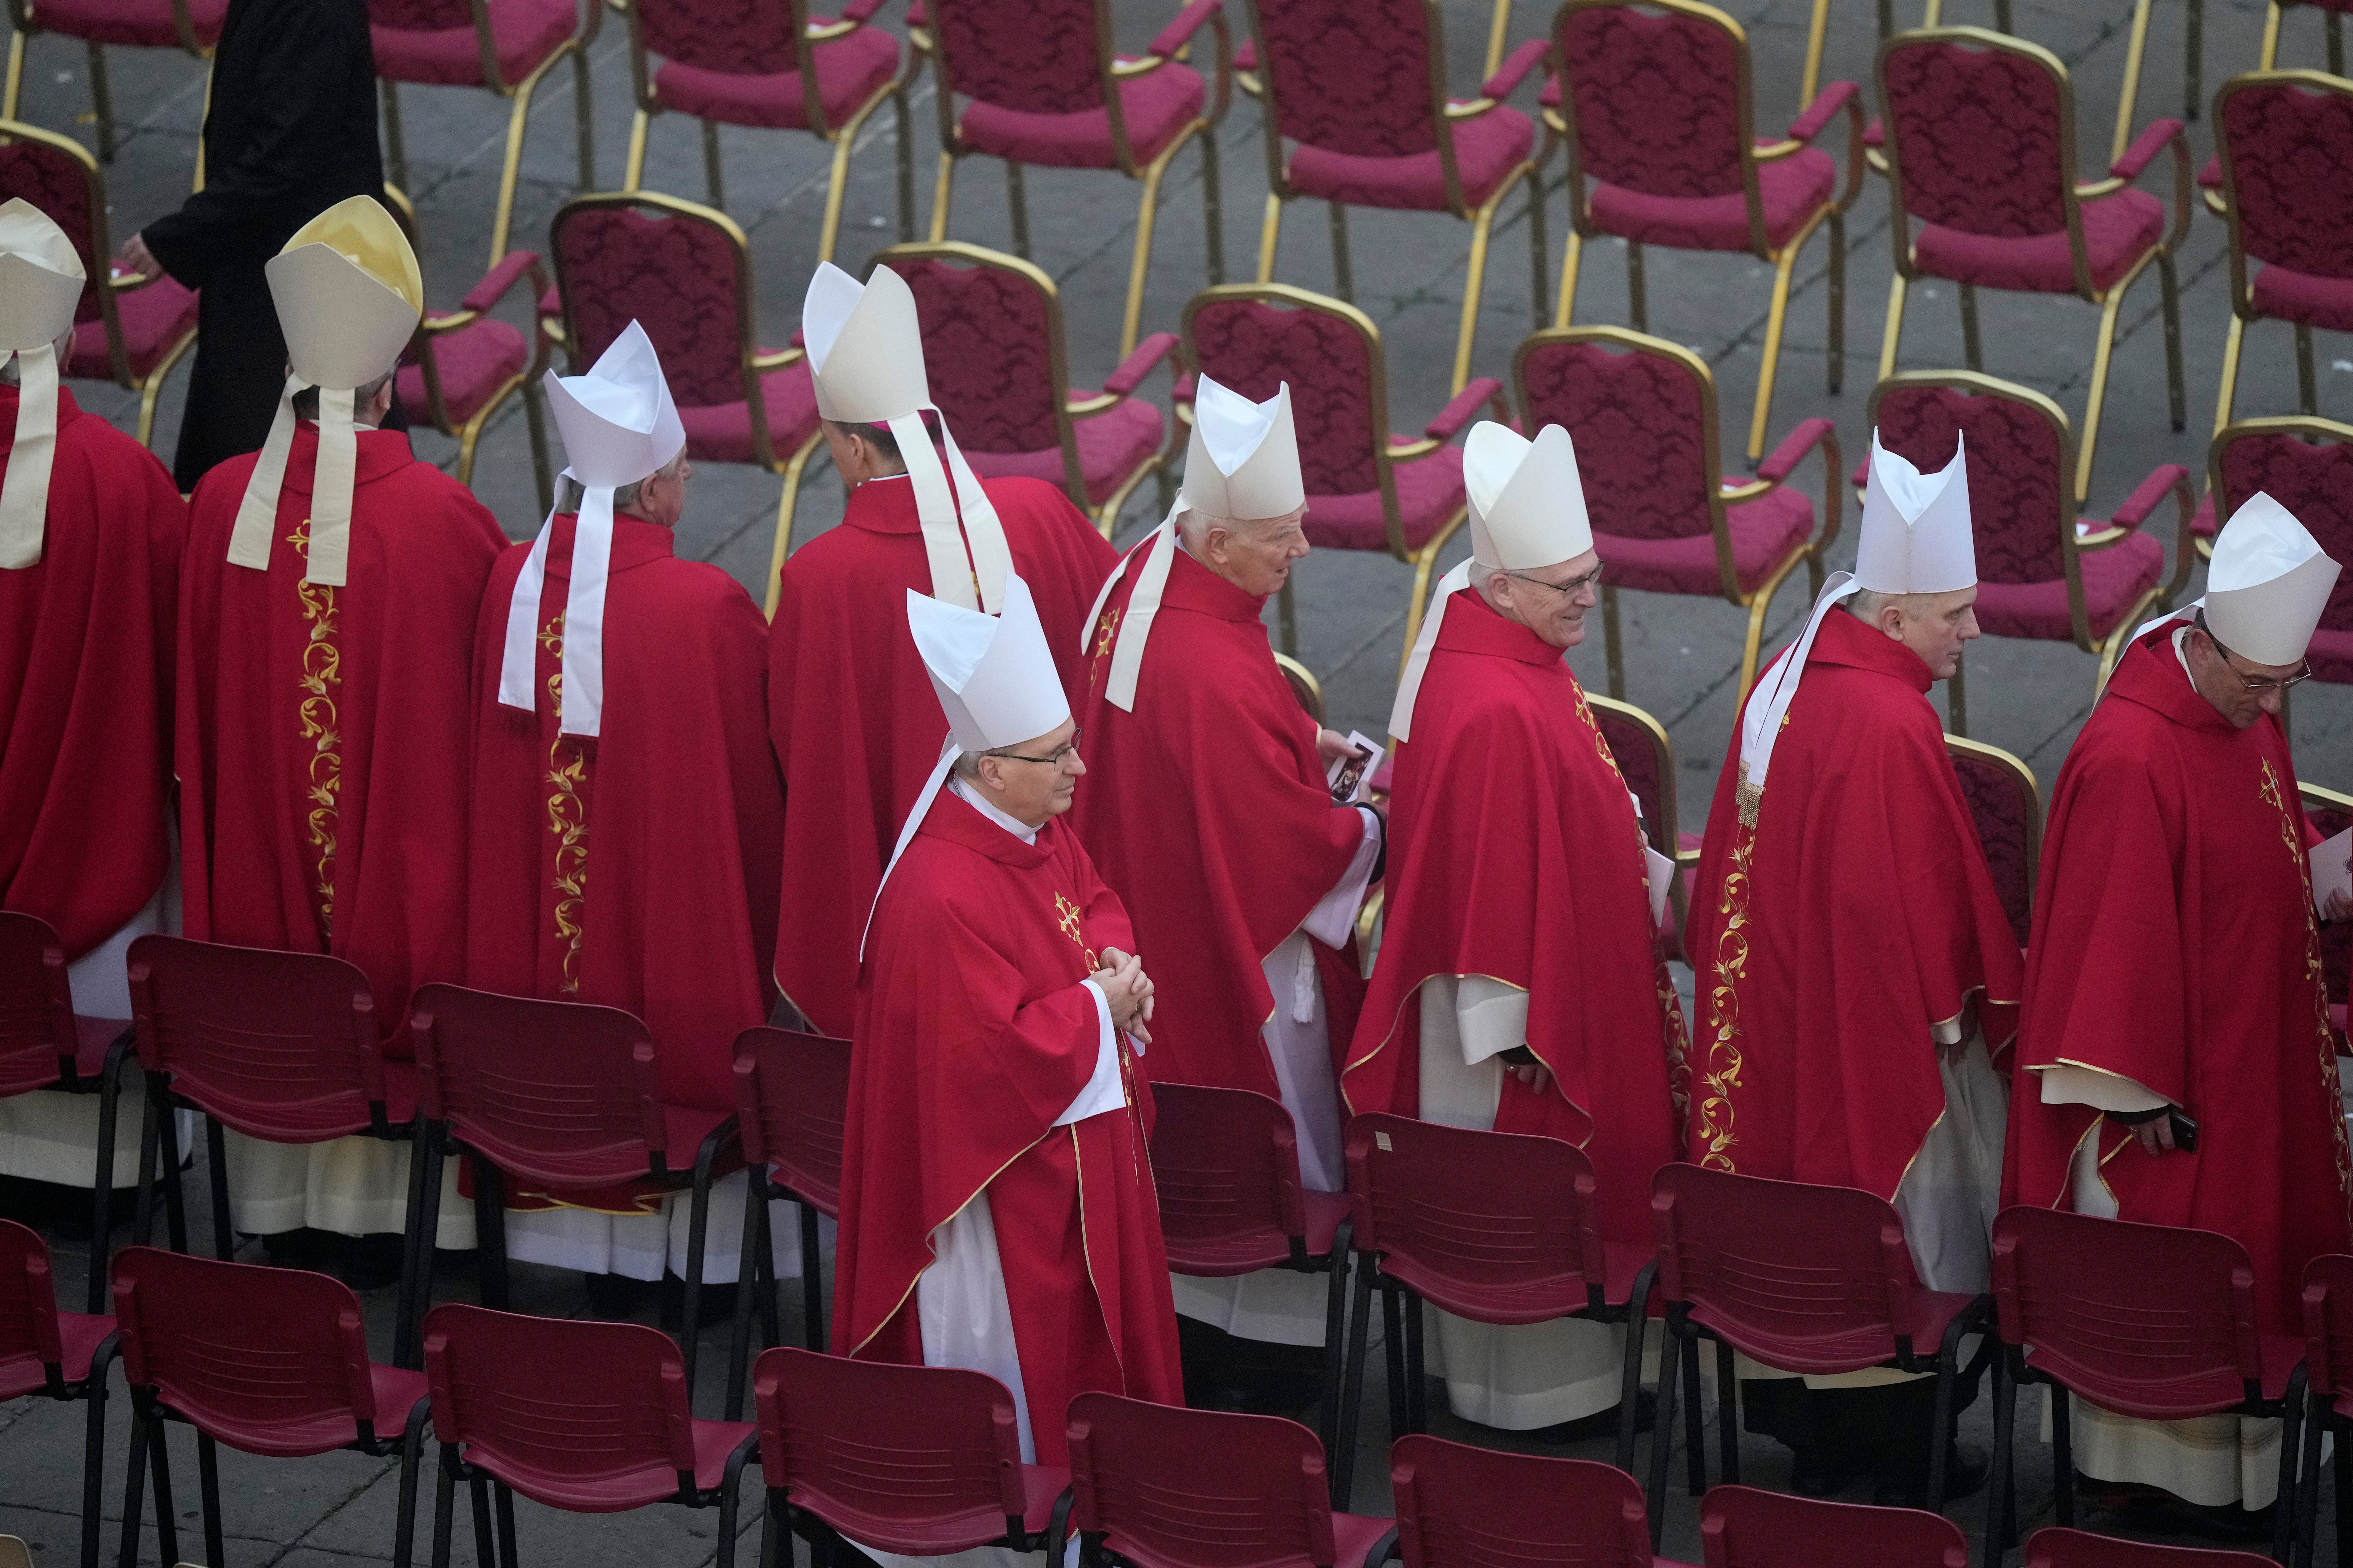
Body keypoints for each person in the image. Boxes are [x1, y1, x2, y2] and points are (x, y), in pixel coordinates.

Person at [1682, 432, 2022, 1505]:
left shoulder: (1796, 674)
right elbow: (1917, 910)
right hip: (1870, 1032)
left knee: (1796, 1195)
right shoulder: (1887, 721)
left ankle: (1811, 1434)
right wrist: (1961, 1003)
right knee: (1898, 1218)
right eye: (1953, 612)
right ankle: (1885, 1452)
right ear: (1892, 617)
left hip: (1781, 1008)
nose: (1973, 628)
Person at [2005, 493, 2350, 1536]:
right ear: (2203, 646)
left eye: (2290, 685)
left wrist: (2325, 872)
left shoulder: (2237, 708)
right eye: (2261, 683)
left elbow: (2257, 848)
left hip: (2261, 1048)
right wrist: (2137, 1086)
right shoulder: (2131, 754)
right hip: (2175, 1090)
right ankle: (2153, 1486)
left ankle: (2249, 1476)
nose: (2274, 709)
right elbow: (2109, 936)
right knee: (2188, 1275)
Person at [1342, 421, 1687, 1440]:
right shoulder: (1493, 704)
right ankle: (1545, 1402)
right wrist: (1519, 1029)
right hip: (1522, 1018)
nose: (1587, 598)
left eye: (1590, 576)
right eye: (1564, 584)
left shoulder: (1484, 635)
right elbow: (1486, 889)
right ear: (1501, 586)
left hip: (1570, 964)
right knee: (1530, 1204)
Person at [176, 195, 497, 1284]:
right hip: (405, 877)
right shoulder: (448, 524)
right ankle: (391, 1224)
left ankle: (284, 1204)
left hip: (260, 878)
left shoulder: (222, 504)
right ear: (392, 376)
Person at [1067, 375, 1381, 1381]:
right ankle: (1273, 1361)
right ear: (1217, 543)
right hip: (1227, 942)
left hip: (1139, 900)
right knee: (1264, 1140)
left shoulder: (1140, 576)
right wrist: (1369, 825)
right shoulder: (1210, 659)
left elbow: (1214, 742)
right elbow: (1277, 847)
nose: (1302, 551)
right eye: (1281, 535)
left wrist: (1296, 738)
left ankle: (1191, 1324)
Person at [835, 569, 1182, 1475]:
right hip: (992, 1195)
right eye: (1057, 754)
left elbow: (1091, 899)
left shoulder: (1032, 824)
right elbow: (983, 1066)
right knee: (1017, 1392)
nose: (1078, 768)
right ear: (990, 769)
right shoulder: (942, 893)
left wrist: (1120, 970)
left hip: (1075, 1147)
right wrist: (1097, 1009)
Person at [469, 322, 785, 1307]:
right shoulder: (705, 608)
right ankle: (682, 1268)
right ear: (652, 491)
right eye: (684, 477)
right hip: (666, 949)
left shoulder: (510, 584)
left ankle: (561, 1237)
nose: (687, 495)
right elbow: (756, 796)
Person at [770, 261, 1116, 1040]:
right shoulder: (1038, 511)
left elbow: (804, 751)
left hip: (915, 909)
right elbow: (1119, 647)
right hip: (1057, 879)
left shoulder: (821, 579)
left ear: (856, 451)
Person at [0, 198, 186, 1205]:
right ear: (65, 344)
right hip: (94, 843)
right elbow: (170, 668)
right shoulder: (125, 484)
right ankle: (92, 1182)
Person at [118, 0, 384, 491]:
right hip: (267, 257)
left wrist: (180, 237)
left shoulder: (316, 14)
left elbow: (284, 156)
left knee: (270, 461)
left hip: (293, 271)